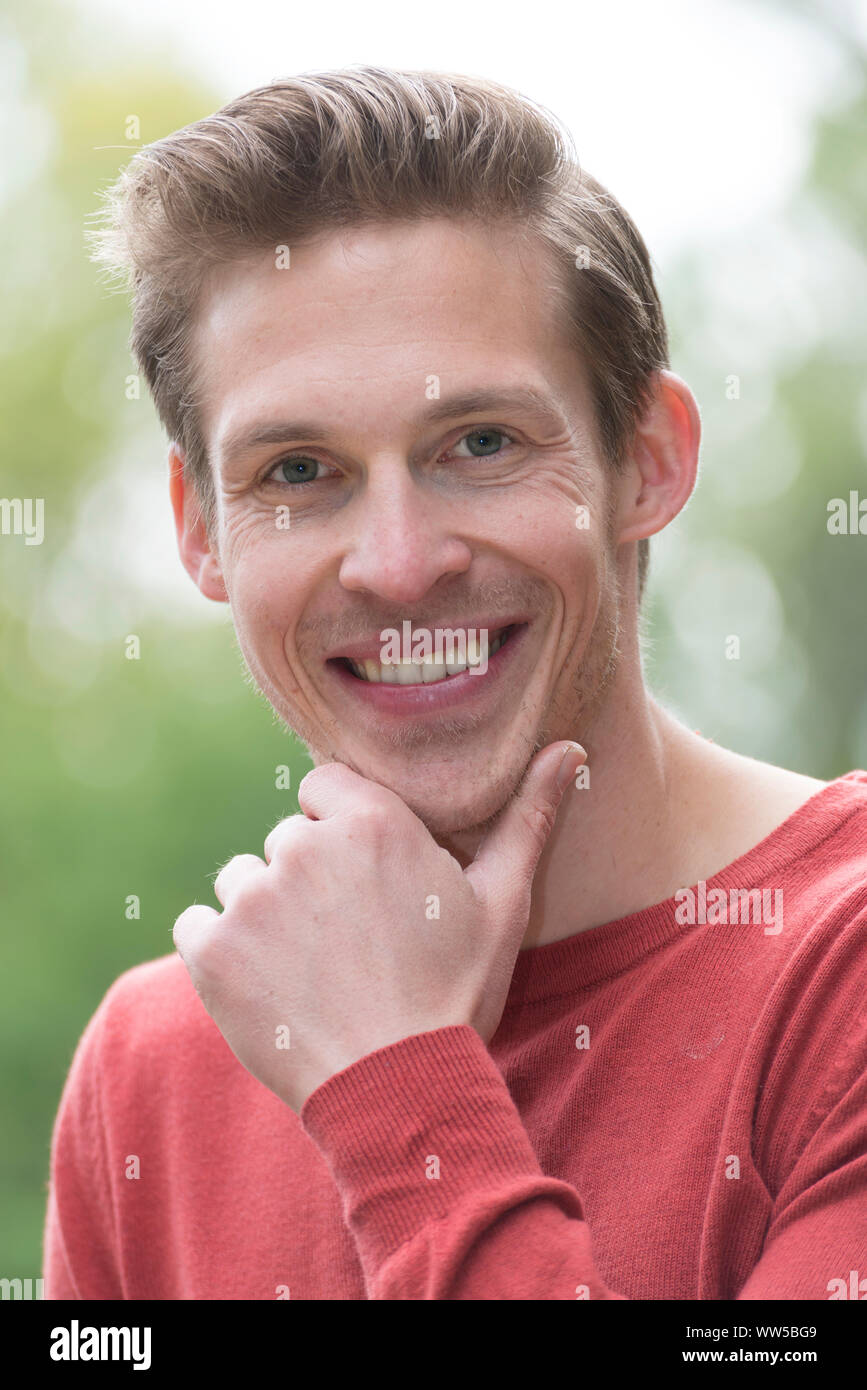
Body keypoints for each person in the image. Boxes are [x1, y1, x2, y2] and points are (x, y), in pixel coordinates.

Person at [43, 65, 867, 1300]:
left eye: (480, 445)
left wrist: (399, 1089)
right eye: (298, 469)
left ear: (647, 461)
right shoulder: (152, 1066)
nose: (398, 565)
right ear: (202, 531)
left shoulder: (838, 979)